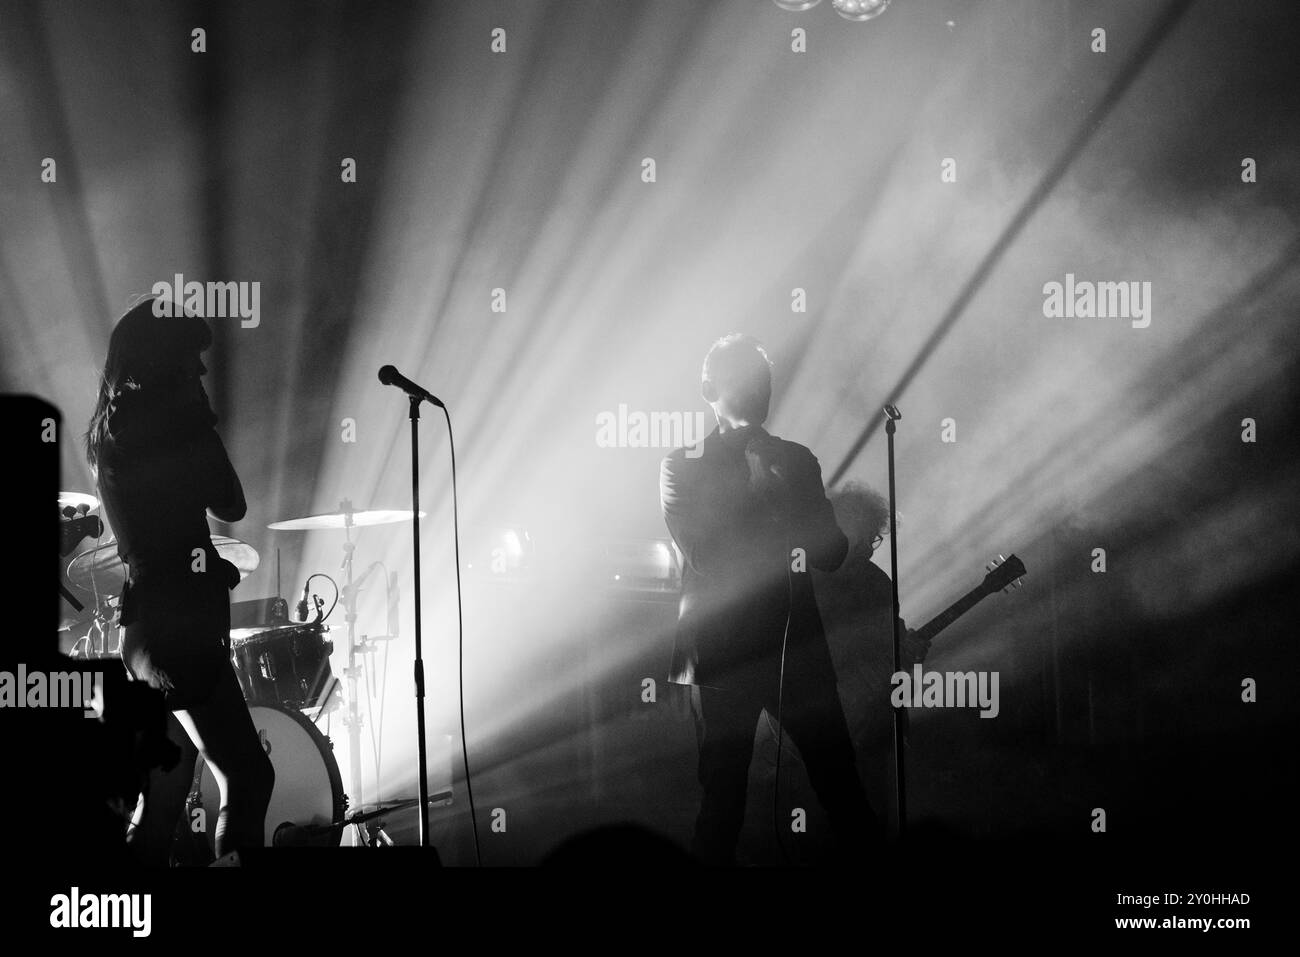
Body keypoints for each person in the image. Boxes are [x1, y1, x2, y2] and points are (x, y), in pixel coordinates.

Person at [660, 333, 878, 865]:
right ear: (709, 388)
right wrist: (768, 494)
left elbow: (828, 551)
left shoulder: (798, 460)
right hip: (719, 651)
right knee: (722, 798)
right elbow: (705, 553)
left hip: (792, 642)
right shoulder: (682, 464)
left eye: (765, 381)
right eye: (747, 379)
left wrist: (786, 493)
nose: (761, 390)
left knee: (840, 784)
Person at [86, 298, 273, 864]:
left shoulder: (112, 431)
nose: (201, 371)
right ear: (164, 359)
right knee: (247, 775)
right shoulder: (171, 428)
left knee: (166, 796)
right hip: (178, 633)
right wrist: (201, 419)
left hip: (146, 631)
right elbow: (233, 503)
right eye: (192, 359)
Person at [815, 482, 929, 818]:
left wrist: (910, 652)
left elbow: (892, 647)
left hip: (873, 723)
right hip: (817, 718)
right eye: (861, 536)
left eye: (873, 539)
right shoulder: (806, 577)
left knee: (871, 813)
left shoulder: (880, 584)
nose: (869, 547)